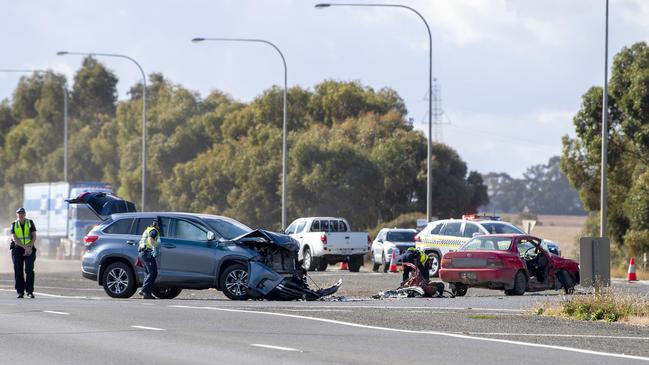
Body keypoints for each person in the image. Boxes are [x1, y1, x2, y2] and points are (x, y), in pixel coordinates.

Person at [10, 208, 37, 299]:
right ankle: (20, 292)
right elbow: (14, 238)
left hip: (29, 247)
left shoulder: (30, 222)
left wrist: (29, 247)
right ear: (16, 214)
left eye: (22, 213)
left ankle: (30, 291)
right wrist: (25, 247)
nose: (21, 215)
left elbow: (34, 236)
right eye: (19, 213)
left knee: (29, 269)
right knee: (18, 270)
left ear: (25, 214)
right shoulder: (14, 224)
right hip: (17, 249)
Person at [138, 219, 160, 299]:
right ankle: (144, 290)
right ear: (156, 224)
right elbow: (150, 239)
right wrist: (154, 247)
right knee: (153, 273)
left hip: (142, 252)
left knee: (148, 273)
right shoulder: (154, 231)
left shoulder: (148, 229)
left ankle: (147, 294)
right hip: (147, 253)